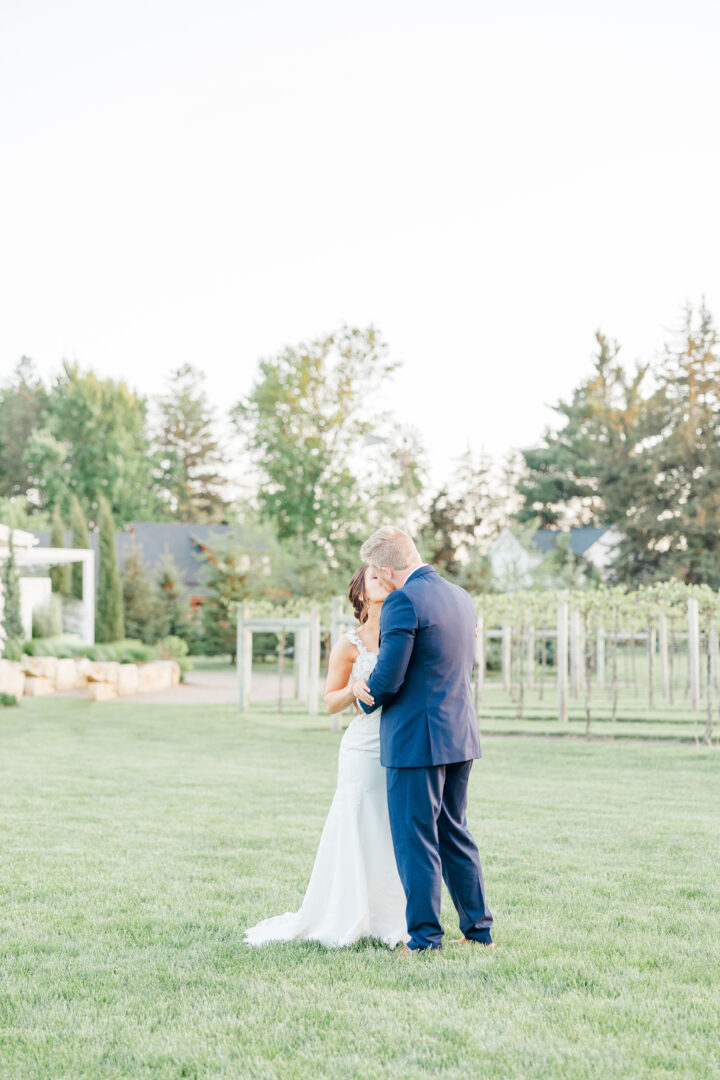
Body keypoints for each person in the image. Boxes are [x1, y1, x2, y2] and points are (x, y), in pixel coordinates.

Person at [244, 564, 408, 948]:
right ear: (361, 591)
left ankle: (394, 917)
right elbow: (331, 701)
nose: (382, 581)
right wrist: (354, 689)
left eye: (387, 576)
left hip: (402, 743)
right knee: (359, 826)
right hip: (363, 747)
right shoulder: (349, 644)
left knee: (392, 828)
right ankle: (349, 913)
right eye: (373, 578)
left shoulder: (407, 634)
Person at [353, 524, 494, 954]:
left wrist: (364, 695)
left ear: (384, 569)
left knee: (416, 839)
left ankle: (425, 939)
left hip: (417, 741)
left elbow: (390, 675)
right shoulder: (460, 595)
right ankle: (478, 933)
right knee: (454, 832)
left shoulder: (403, 600)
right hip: (459, 734)